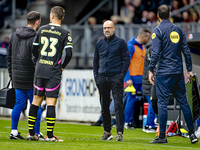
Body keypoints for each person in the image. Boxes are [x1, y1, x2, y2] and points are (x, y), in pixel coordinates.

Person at [148, 4, 198, 144]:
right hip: (177, 72)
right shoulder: (179, 30)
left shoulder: (157, 31)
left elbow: (156, 53)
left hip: (164, 73)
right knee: (184, 103)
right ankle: (193, 134)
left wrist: (150, 69)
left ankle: (162, 136)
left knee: (163, 103)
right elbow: (186, 52)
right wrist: (189, 70)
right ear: (170, 14)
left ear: (157, 16)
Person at [27, 6, 73, 142]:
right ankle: (50, 136)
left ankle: (31, 134)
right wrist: (62, 66)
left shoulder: (41, 29)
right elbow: (69, 54)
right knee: (51, 103)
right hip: (53, 71)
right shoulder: (65, 33)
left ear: (51, 16)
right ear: (62, 17)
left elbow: (34, 49)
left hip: (40, 70)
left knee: (35, 102)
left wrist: (38, 62)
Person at [7, 11, 44, 140]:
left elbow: (9, 56)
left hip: (17, 76)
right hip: (31, 76)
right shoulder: (36, 37)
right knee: (36, 104)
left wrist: (11, 74)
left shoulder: (14, 35)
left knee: (18, 104)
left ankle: (14, 132)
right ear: (37, 22)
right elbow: (35, 59)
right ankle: (35, 132)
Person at [93, 20, 130, 141]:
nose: (106, 30)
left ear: (114, 29)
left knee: (118, 105)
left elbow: (126, 60)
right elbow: (95, 60)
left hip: (116, 78)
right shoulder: (99, 43)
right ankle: (107, 131)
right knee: (104, 106)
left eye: (109, 28)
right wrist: (96, 76)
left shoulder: (121, 42)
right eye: (104, 28)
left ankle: (120, 132)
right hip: (102, 78)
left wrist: (121, 76)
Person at [124, 29, 150, 129]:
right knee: (131, 100)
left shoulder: (143, 47)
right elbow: (125, 63)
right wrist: (127, 78)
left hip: (143, 79)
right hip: (133, 79)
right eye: (147, 38)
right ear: (142, 37)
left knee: (150, 99)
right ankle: (126, 122)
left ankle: (149, 124)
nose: (149, 40)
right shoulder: (130, 46)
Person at [142, 40, 157, 133]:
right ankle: (149, 125)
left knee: (153, 102)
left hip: (148, 80)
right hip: (150, 81)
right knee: (153, 102)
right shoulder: (152, 50)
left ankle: (149, 124)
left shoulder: (149, 50)